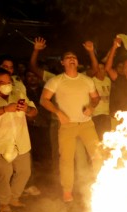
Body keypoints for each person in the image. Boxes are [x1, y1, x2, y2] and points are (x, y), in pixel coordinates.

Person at [40, 48, 101, 203]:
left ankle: (101, 184)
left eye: (74, 57)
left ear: (77, 62)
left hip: (87, 124)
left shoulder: (86, 80)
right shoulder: (56, 80)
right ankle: (67, 191)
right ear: (62, 62)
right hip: (68, 126)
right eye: (68, 57)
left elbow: (96, 98)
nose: (72, 59)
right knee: (66, 159)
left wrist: (92, 107)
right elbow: (44, 100)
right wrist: (58, 112)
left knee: (98, 155)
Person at [0, 67, 37, 212]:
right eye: (1, 82)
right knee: (4, 173)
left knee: (24, 171)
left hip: (20, 141)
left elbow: (33, 111)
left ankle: (14, 197)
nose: (6, 85)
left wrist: (26, 109)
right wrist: (5, 109)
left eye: (8, 81)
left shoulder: (18, 93)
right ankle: (3, 204)